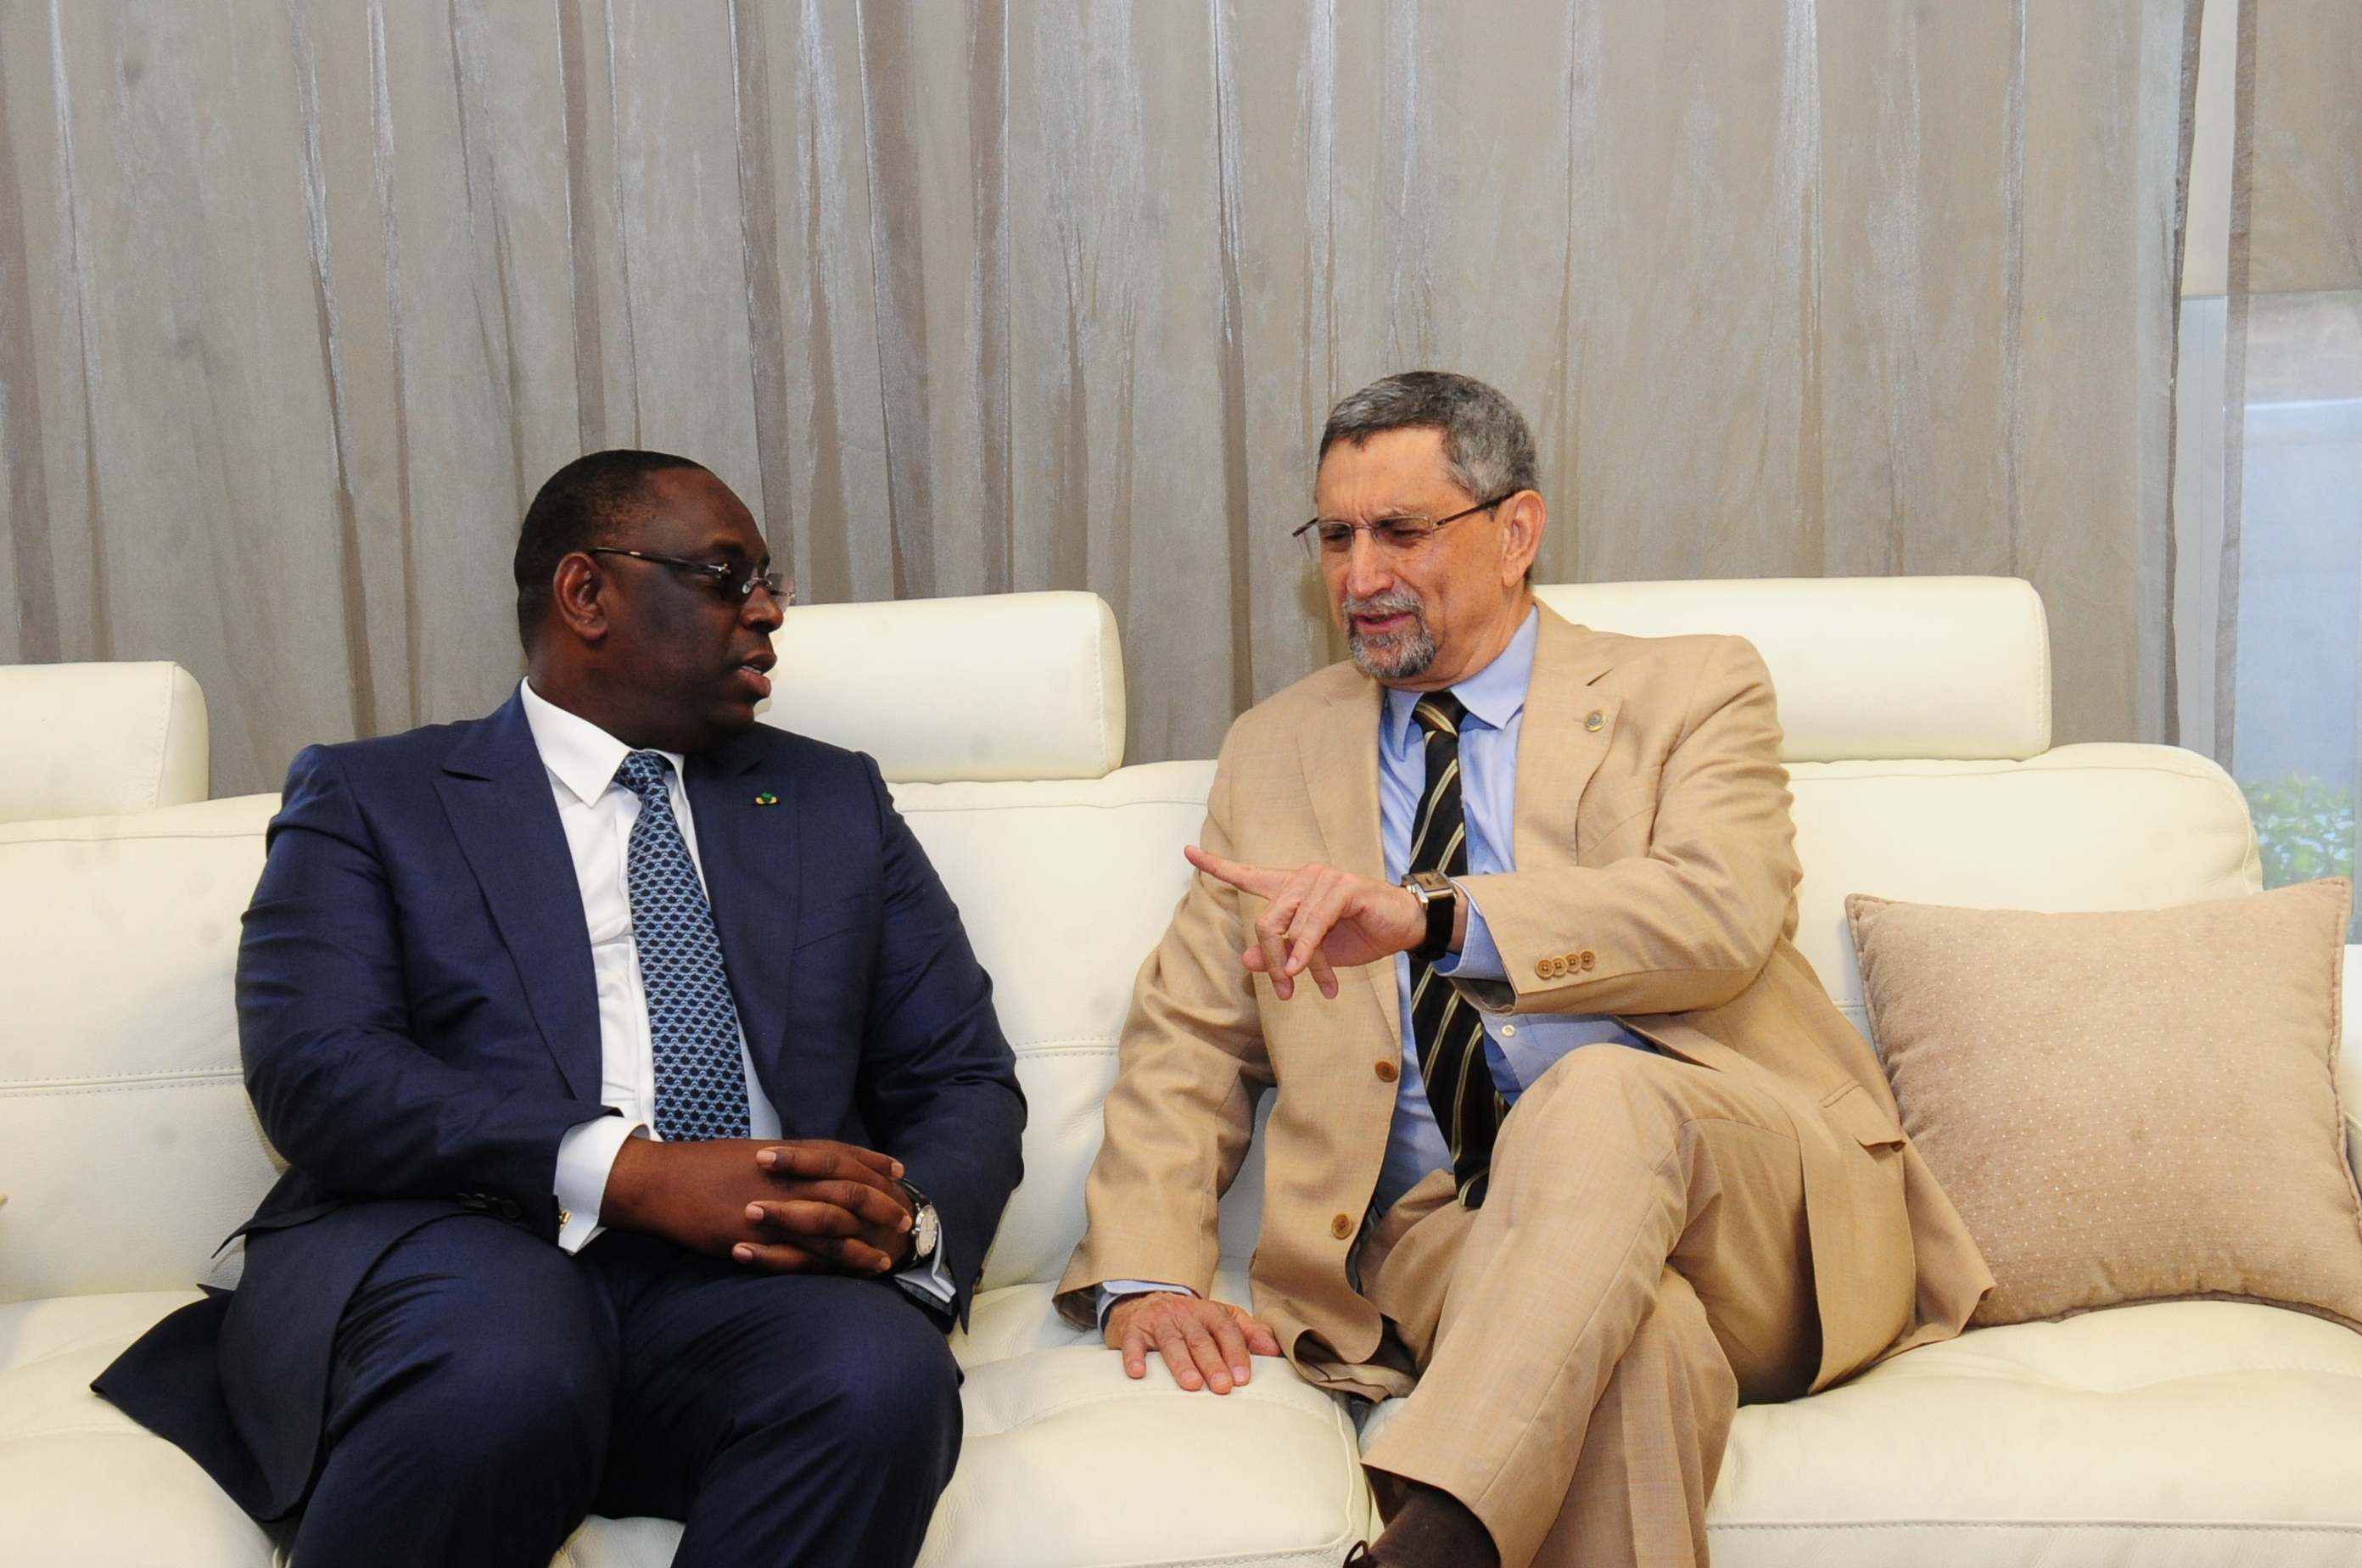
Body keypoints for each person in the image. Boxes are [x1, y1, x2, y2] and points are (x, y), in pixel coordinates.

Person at [1055, 373, 1991, 1568]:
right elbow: (1191, 1036)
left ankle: (1432, 1533)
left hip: (1753, 1198)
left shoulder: (1690, 688)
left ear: (1516, 531)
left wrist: (1433, 918)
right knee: (1638, 1346)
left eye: (1401, 531)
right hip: (1457, 1229)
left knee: (1600, 1095)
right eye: (1336, 536)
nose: (1359, 576)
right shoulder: (1278, 749)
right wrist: (1147, 1273)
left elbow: (1721, 913)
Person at [97, 451, 1026, 1568]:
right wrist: (631, 1172)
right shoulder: (375, 796)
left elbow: (961, 1078)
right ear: (587, 593)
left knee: (878, 1380)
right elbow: (320, 1069)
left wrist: (908, 1226)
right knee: (510, 1364)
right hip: (461, 1255)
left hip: (740, 1288)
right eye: (728, 576)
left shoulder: (830, 798)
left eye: (770, 580)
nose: (770, 610)